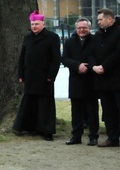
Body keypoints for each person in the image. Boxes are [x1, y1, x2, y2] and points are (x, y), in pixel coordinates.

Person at [91, 8, 120, 149]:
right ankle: (112, 138)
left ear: (109, 19)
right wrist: (94, 66)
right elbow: (91, 53)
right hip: (103, 80)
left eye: (100, 19)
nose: (98, 22)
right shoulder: (97, 36)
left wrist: (104, 66)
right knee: (108, 110)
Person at [12, 10, 60, 141]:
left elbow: (56, 58)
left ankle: (47, 130)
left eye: (37, 24)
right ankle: (32, 127)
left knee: (45, 104)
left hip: (45, 77)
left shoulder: (52, 37)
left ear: (43, 24)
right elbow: (22, 57)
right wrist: (21, 74)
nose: (34, 26)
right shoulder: (27, 38)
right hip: (30, 76)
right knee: (31, 103)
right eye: (32, 24)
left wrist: (51, 75)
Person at [60, 19, 99, 145]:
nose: (82, 30)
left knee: (92, 110)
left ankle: (93, 136)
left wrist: (87, 67)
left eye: (84, 28)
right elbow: (64, 59)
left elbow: (98, 57)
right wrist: (77, 65)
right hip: (75, 80)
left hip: (91, 80)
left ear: (89, 28)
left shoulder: (95, 41)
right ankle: (76, 136)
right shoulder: (69, 42)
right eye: (79, 28)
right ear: (76, 29)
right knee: (76, 111)